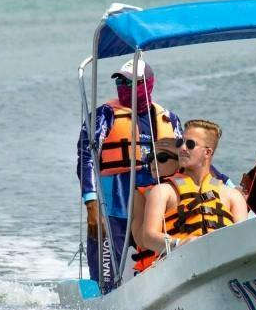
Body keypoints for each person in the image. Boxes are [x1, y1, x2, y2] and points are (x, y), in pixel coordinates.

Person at [76, 57, 180, 290]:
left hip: (154, 212)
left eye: (130, 83)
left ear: (147, 84)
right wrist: (92, 205)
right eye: (120, 82)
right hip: (113, 211)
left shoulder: (169, 119)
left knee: (159, 271)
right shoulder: (104, 115)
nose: (123, 87)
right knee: (106, 279)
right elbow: (85, 158)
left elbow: (185, 160)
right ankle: (103, 306)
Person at [132, 119, 249, 272]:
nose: (182, 148)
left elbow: (242, 239)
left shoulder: (233, 196)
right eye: (180, 142)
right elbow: (148, 237)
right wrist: (179, 244)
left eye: (190, 144)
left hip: (223, 266)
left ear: (207, 152)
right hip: (176, 267)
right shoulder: (162, 191)